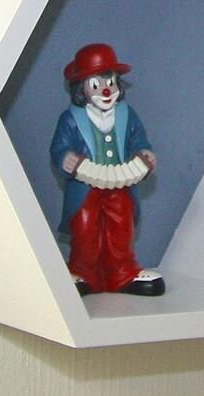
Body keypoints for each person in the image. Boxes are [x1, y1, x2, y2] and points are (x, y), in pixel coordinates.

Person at [50, 42, 165, 296]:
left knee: (121, 227)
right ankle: (83, 272)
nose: (105, 90)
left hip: (120, 186)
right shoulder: (71, 119)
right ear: (82, 89)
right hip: (85, 187)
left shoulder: (126, 115)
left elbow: (138, 140)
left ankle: (122, 274)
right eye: (96, 85)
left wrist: (144, 154)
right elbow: (59, 147)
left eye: (110, 83)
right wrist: (66, 158)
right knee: (85, 228)